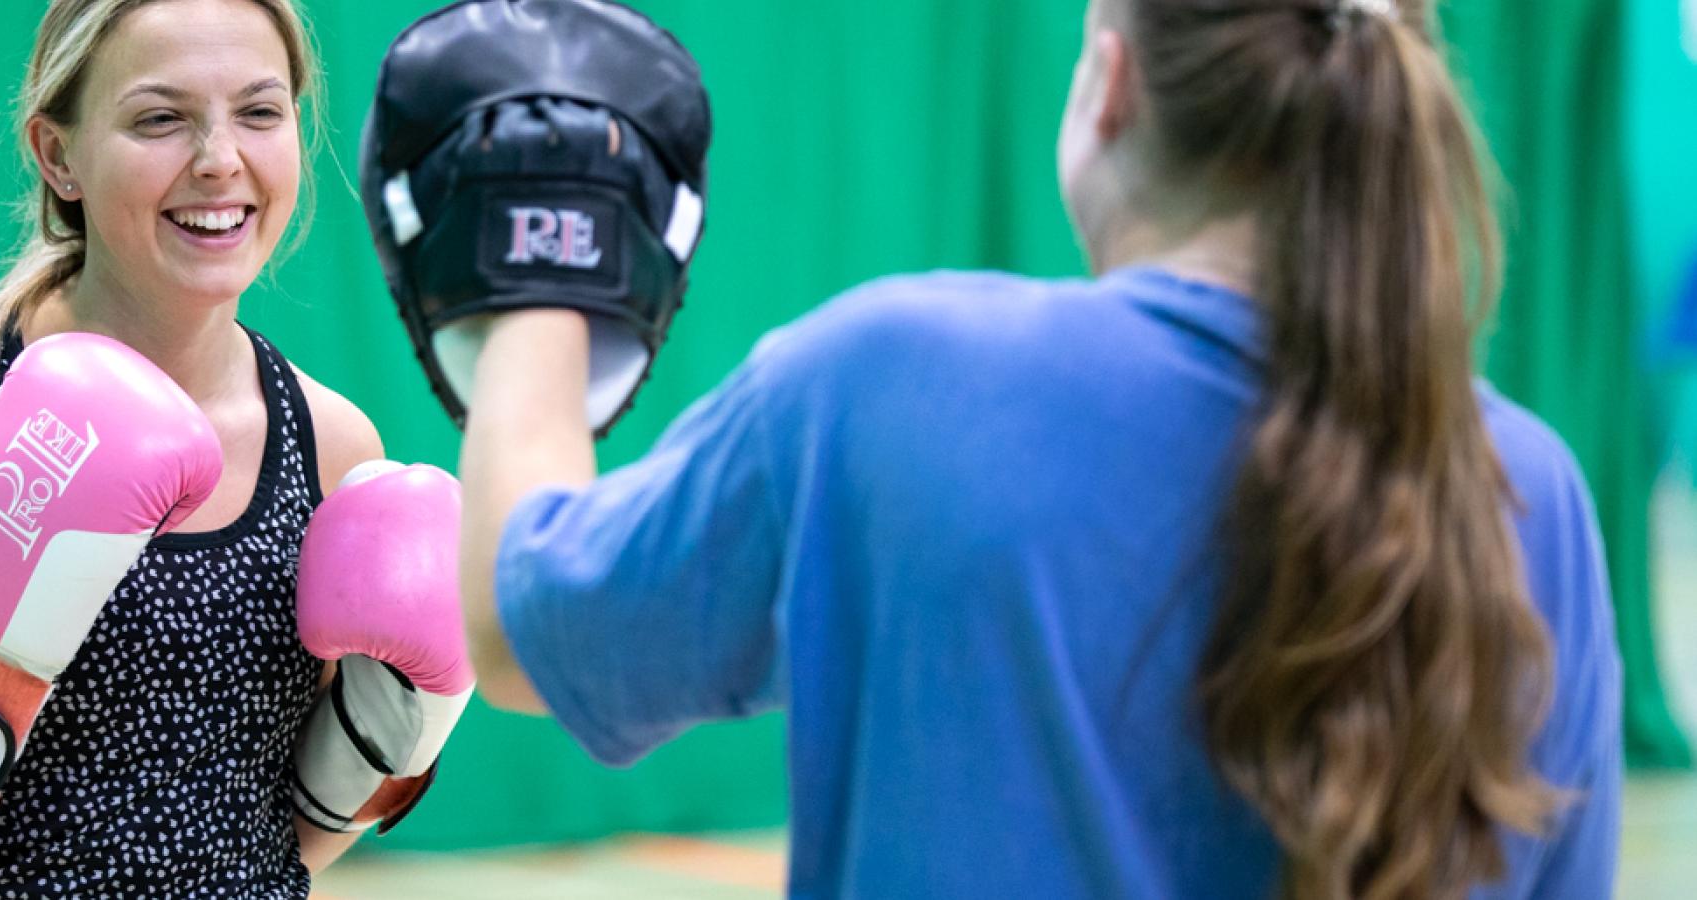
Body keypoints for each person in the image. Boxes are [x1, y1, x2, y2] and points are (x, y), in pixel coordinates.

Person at [447, 0, 1623, 897]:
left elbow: (520, 627)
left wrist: (544, 260)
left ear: (1109, 85)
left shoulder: (891, 382)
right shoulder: (1531, 489)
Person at [0, 1, 468, 896]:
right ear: (58, 155)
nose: (220, 159)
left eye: (261, 112)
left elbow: (281, 839)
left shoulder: (331, 443)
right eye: (161, 118)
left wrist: (394, 736)